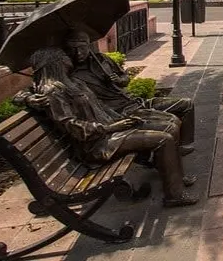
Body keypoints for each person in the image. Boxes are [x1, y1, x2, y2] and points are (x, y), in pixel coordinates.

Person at [26, 47, 198, 207]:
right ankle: (174, 195)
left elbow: (102, 107)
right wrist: (112, 128)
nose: (68, 59)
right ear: (54, 62)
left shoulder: (72, 83)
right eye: (63, 57)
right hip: (97, 144)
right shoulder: (53, 92)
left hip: (110, 131)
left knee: (169, 126)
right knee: (163, 139)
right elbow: (72, 127)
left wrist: (123, 120)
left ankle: (175, 178)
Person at [63, 30, 195, 152]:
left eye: (81, 48)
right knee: (171, 123)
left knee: (186, 104)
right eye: (72, 50)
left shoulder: (102, 60)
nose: (78, 53)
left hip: (134, 101)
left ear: (88, 45)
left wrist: (119, 81)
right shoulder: (71, 75)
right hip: (121, 111)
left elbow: (125, 77)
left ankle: (183, 147)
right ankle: (167, 154)